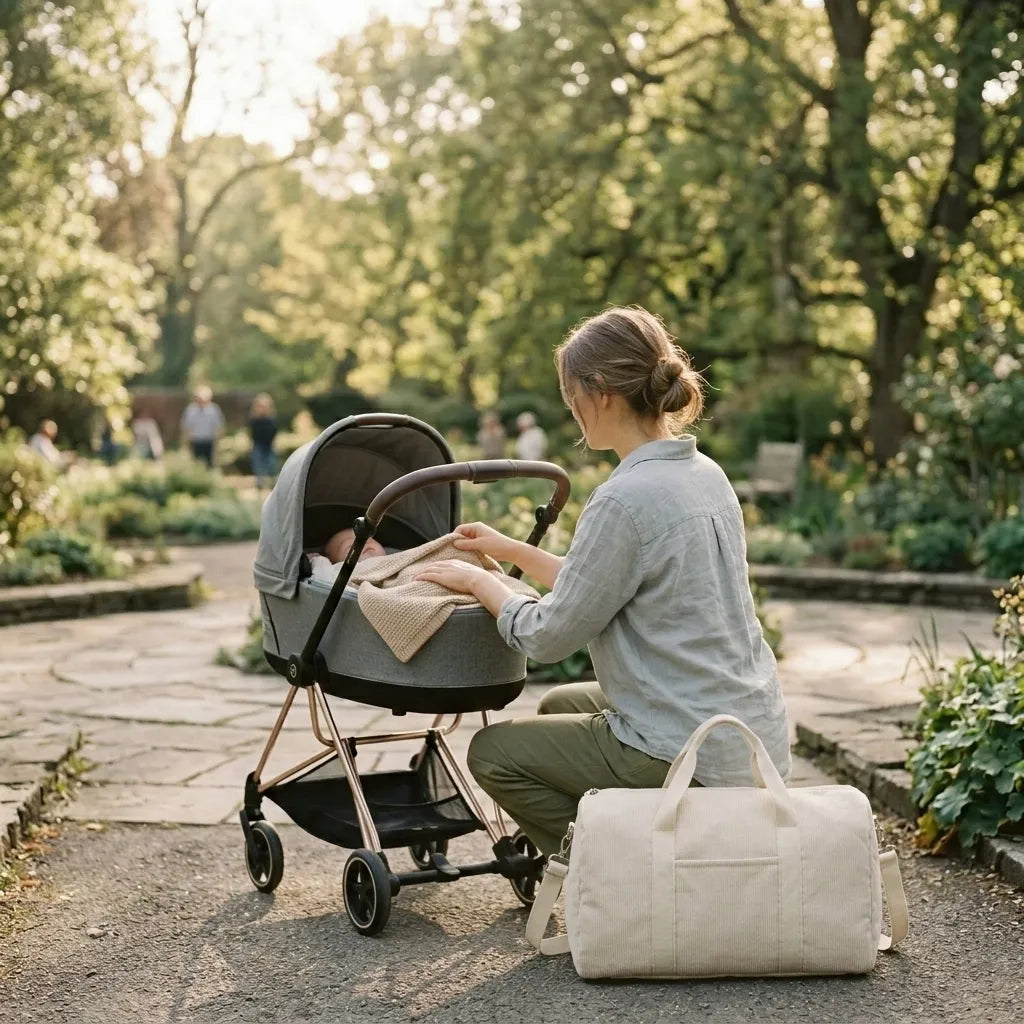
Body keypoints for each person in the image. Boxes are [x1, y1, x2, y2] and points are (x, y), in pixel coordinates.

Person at [413, 305, 791, 855]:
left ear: (600, 392)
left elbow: (548, 637)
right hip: (747, 731)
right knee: (560, 706)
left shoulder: (623, 497)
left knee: (491, 753)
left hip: (692, 752)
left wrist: (482, 585)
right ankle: (620, 839)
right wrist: (508, 549)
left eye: (572, 397)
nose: (572, 412)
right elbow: (603, 586)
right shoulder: (704, 474)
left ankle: (616, 868)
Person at [180, 385, 224, 468]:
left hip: (209, 441)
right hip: (195, 441)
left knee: (210, 465)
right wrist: (186, 442)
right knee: (196, 464)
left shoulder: (214, 410)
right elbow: (186, 427)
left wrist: (218, 443)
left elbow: (219, 427)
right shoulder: (190, 410)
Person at [248, 393, 278, 492]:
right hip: (258, 445)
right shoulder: (254, 420)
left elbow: (274, 432)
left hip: (269, 445)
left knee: (271, 465)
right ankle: (259, 484)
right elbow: (252, 433)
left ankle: (273, 484)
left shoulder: (271, 419)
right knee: (258, 466)